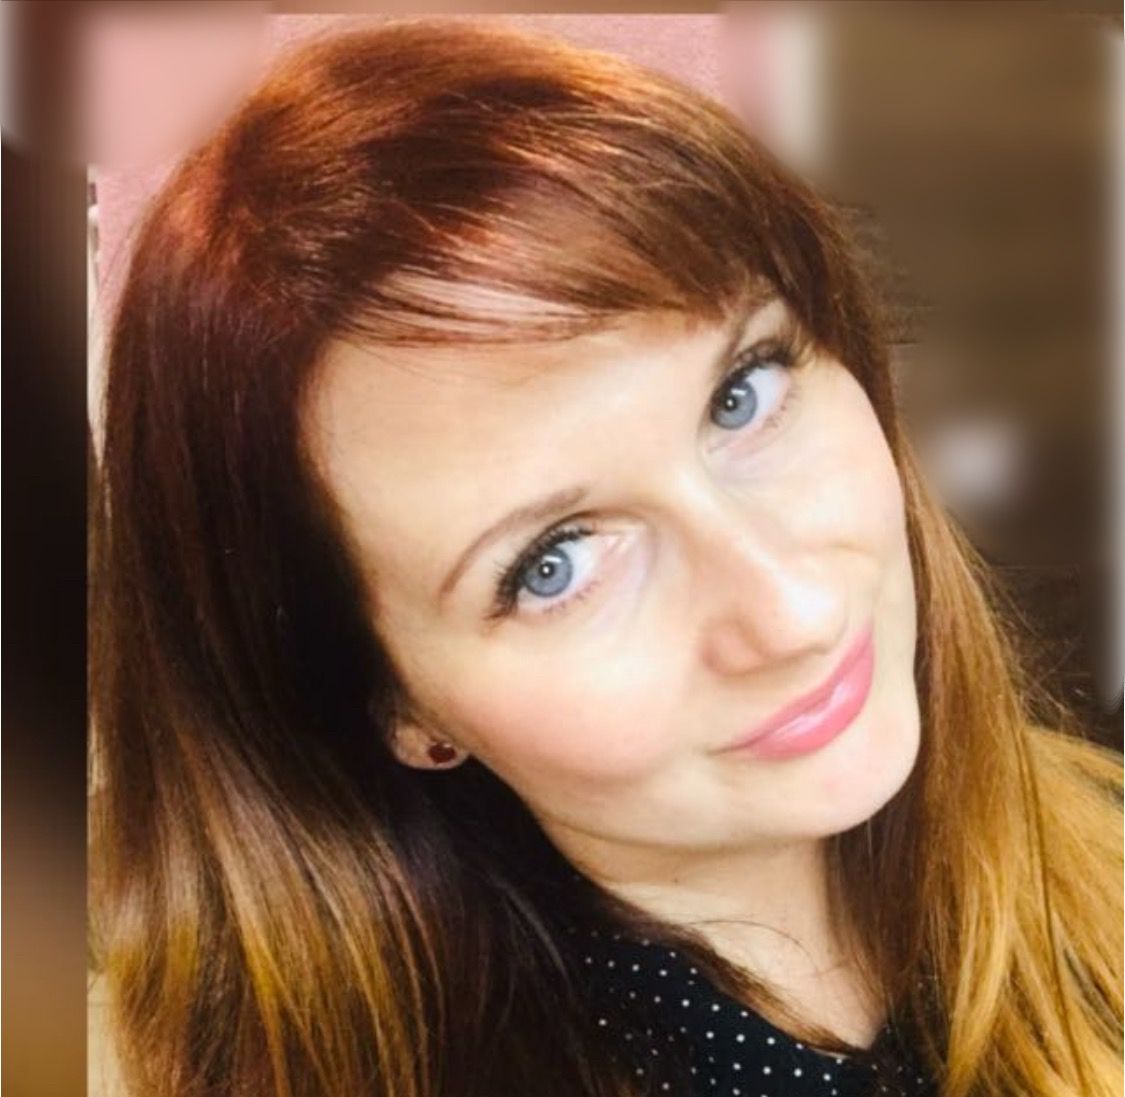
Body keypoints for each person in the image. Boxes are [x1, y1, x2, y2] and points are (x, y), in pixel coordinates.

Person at [88, 19, 1123, 1097]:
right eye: (556, 563)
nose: (796, 610)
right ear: (396, 701)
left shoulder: (1075, 845)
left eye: (743, 394)